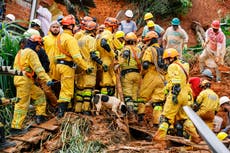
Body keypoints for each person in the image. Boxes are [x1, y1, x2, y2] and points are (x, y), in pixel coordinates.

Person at [152, 48, 201, 150]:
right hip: (184, 95)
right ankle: (195, 137)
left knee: (166, 118)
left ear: (171, 58)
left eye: (166, 59)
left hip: (176, 95)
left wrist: (173, 93)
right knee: (184, 118)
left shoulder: (172, 66)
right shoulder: (184, 65)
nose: (165, 62)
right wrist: (166, 90)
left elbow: (175, 81)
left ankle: (159, 139)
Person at [10, 36, 53, 135]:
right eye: (39, 46)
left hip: (21, 79)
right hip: (24, 81)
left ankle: (40, 116)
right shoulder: (31, 53)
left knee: (39, 95)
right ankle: (16, 128)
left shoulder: (20, 52)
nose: (39, 49)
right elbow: (38, 69)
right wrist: (47, 79)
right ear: (35, 44)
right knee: (22, 104)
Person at [55, 15, 93, 118]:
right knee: (67, 91)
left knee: (63, 88)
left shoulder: (59, 37)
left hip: (58, 66)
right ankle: (61, 113)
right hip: (67, 66)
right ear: (71, 26)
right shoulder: (70, 39)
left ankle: (63, 110)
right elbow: (77, 57)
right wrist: (86, 67)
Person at [138, 31, 166, 124]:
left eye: (147, 41)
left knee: (142, 97)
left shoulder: (150, 49)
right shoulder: (163, 50)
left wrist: (143, 73)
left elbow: (145, 64)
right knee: (158, 102)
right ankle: (156, 122)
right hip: (161, 77)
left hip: (151, 75)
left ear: (151, 40)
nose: (146, 43)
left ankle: (140, 118)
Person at [118, 32, 141, 119]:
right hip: (137, 74)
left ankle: (130, 115)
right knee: (135, 95)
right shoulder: (138, 49)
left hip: (127, 73)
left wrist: (117, 65)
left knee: (128, 94)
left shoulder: (126, 48)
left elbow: (124, 58)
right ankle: (135, 114)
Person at [96, 17, 119, 96]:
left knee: (105, 83)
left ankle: (104, 103)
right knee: (109, 83)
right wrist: (114, 54)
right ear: (112, 26)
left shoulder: (100, 34)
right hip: (108, 60)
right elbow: (104, 43)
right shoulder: (108, 33)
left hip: (102, 60)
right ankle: (108, 102)